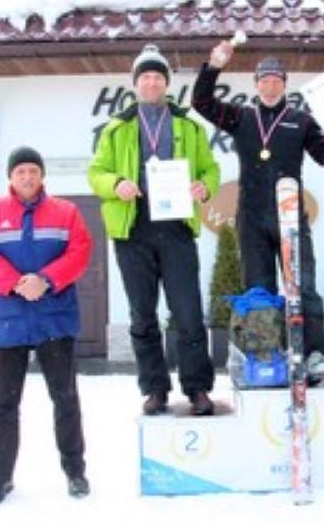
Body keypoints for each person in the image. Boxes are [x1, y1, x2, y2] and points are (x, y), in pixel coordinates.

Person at [193, 41, 324, 383]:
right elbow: (202, 102)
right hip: (252, 219)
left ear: (285, 84)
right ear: (256, 84)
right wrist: (213, 67)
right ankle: (265, 357)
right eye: (264, 80)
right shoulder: (241, 117)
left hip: (291, 218)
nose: (270, 86)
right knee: (260, 292)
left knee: (304, 287)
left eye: (276, 80)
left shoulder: (301, 121)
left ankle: (314, 355)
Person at [88, 44, 220, 416]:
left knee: (188, 312)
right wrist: (116, 184)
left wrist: (205, 187)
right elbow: (95, 173)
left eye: (157, 76)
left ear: (166, 82)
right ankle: (155, 388)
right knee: (142, 314)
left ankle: (197, 388)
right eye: (144, 76)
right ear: (135, 83)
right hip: (133, 228)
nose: (151, 82)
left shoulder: (189, 125)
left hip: (177, 227)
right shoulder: (116, 128)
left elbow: (210, 169)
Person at [0, 146, 92, 506]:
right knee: (4, 404)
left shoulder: (66, 212)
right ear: (11, 176)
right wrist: (15, 283)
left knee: (65, 399)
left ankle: (75, 472)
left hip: (54, 318)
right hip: (8, 321)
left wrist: (45, 280)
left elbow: (80, 251)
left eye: (33, 171)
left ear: (42, 175)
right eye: (20, 171)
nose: (27, 177)